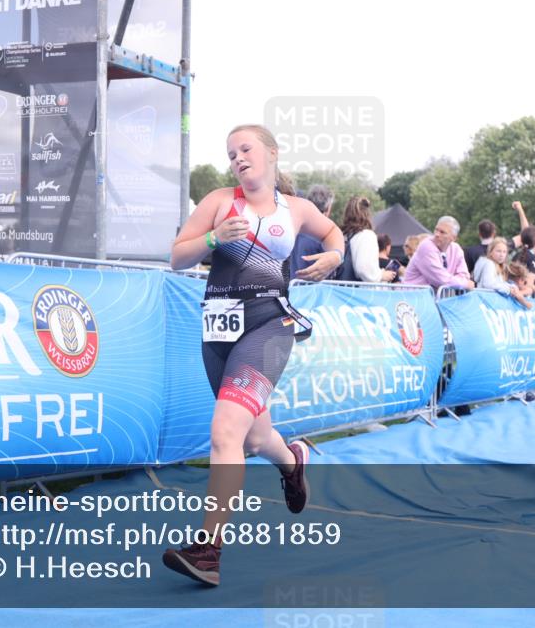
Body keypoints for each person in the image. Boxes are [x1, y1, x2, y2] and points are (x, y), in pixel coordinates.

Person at [163, 124, 344, 587]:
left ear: (271, 153)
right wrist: (213, 239)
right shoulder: (218, 202)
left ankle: (208, 551)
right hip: (218, 330)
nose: (237, 158)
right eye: (230, 154)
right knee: (253, 439)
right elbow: (177, 257)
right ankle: (291, 461)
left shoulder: (297, 209)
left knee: (225, 431)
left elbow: (334, 235)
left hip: (269, 326)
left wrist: (334, 256)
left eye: (246, 149)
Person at [402, 217, 475, 290]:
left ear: (453, 238)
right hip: (414, 298)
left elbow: (464, 276)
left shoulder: (457, 249)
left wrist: (458, 282)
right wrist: (464, 284)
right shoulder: (426, 246)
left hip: (433, 298)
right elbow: (441, 280)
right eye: (436, 230)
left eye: (442, 232)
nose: (437, 234)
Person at [462, 201, 530, 274]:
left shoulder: (470, 252)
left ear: (479, 234)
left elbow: (465, 273)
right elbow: (526, 234)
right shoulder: (504, 245)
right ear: (494, 233)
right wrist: (520, 209)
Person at [338, 197, 396, 283]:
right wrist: (381, 275)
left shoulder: (342, 235)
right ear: (367, 214)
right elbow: (364, 268)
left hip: (339, 290)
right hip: (359, 292)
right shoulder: (366, 235)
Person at [289, 185, 334, 276]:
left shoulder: (296, 227)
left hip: (292, 286)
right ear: (328, 208)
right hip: (312, 288)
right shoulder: (324, 235)